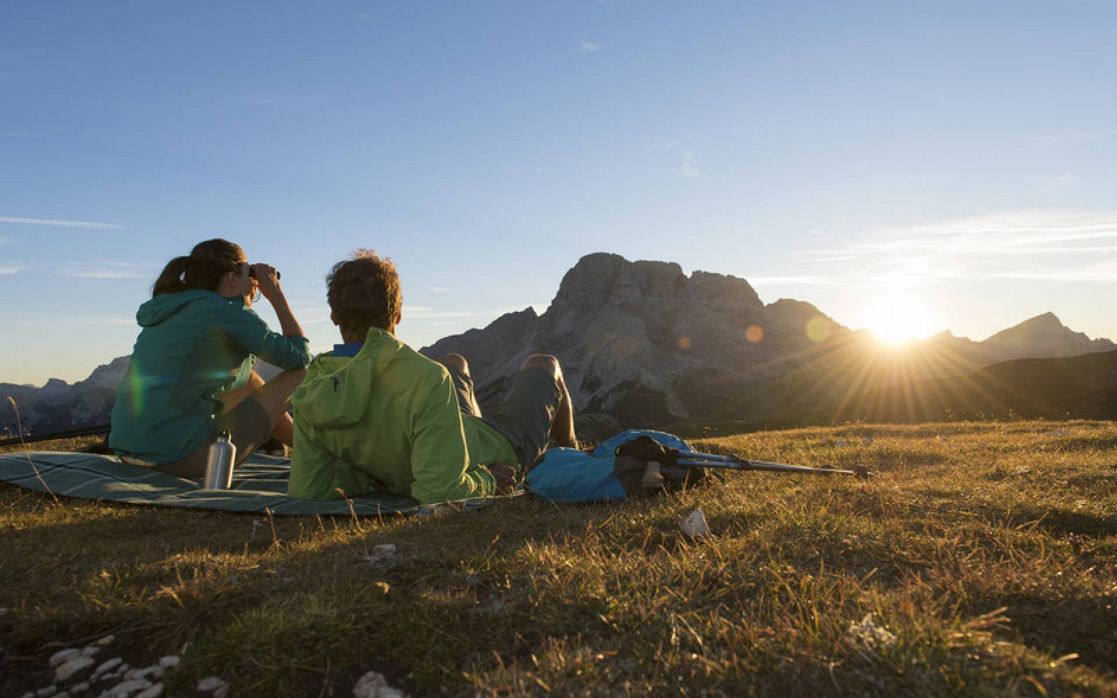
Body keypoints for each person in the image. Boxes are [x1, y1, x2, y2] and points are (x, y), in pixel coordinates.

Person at [288, 249, 578, 504]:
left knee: (455, 361)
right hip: (501, 448)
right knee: (545, 363)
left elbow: (310, 488)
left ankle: (478, 428)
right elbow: (441, 492)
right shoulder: (426, 377)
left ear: (334, 317)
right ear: (398, 314)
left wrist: (371, 477)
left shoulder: (313, 387)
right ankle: (572, 452)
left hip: (449, 435)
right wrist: (491, 481)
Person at [109, 238, 312, 477]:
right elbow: (300, 357)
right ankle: (315, 452)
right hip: (180, 458)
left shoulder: (175, 307)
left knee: (250, 380)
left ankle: (308, 451)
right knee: (300, 373)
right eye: (249, 272)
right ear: (232, 278)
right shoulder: (226, 311)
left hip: (132, 454)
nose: (254, 282)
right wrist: (276, 295)